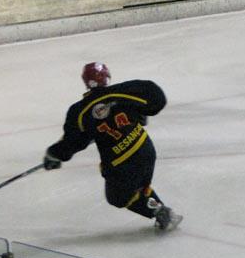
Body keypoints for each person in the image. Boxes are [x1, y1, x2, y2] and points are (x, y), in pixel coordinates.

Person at [43, 62, 182, 231]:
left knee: (118, 197)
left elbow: (73, 141)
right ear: (107, 77)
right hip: (144, 148)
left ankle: (161, 212)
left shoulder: (79, 111)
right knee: (139, 187)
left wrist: (54, 155)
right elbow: (156, 97)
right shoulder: (123, 91)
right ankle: (161, 211)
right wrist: (141, 112)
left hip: (121, 163)